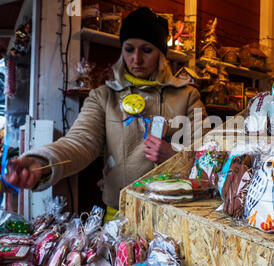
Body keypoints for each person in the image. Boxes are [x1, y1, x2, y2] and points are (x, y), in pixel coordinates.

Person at [5, 7, 209, 221]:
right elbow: (80, 142)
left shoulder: (187, 96)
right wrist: (42, 163)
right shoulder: (104, 96)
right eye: (129, 49)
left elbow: (208, 155)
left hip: (175, 216)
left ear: (161, 53)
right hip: (121, 215)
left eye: (146, 50)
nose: (136, 59)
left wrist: (175, 157)